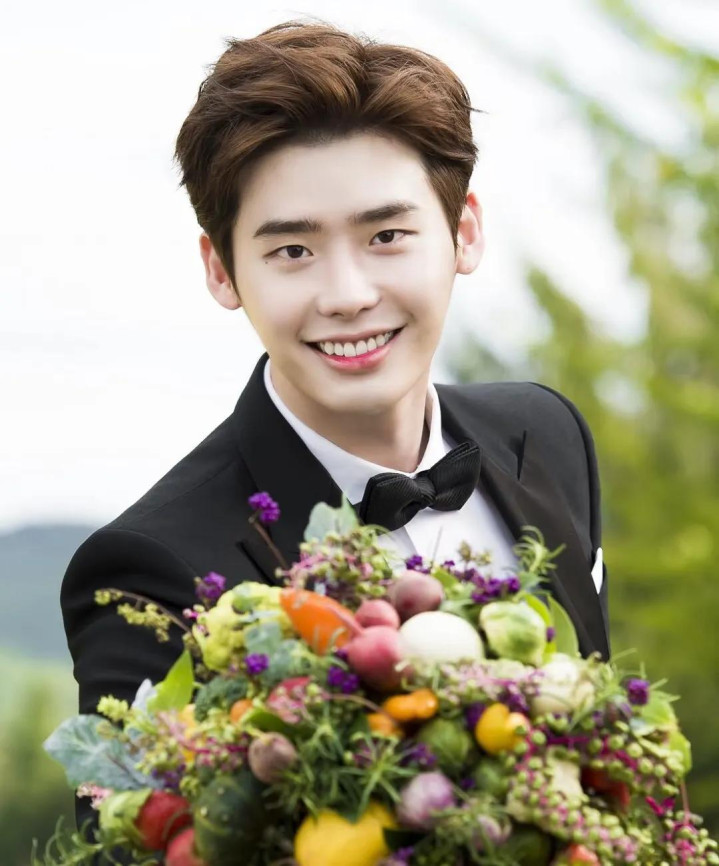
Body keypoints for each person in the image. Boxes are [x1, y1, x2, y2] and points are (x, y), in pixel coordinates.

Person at [60, 18, 610, 839]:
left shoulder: (547, 434)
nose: (347, 294)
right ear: (221, 270)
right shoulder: (150, 572)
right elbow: (139, 845)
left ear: (463, 233)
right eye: (292, 251)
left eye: (386, 236)